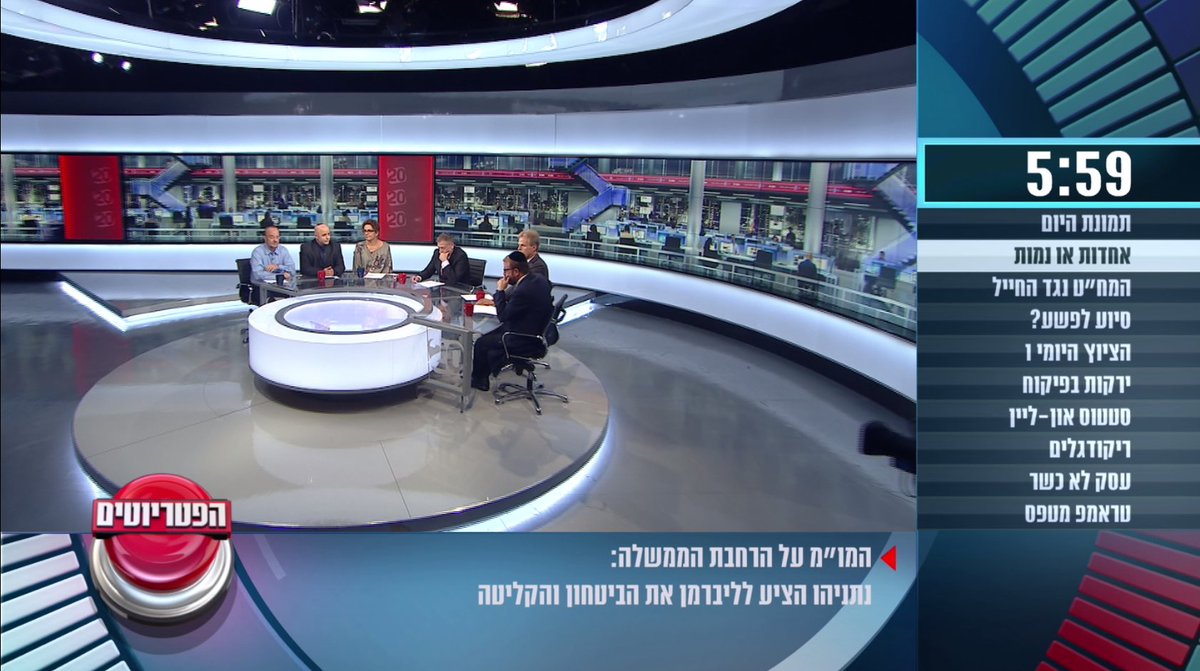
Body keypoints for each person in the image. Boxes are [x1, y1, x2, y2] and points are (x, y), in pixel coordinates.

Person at [470, 252, 553, 392]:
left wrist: (500, 291)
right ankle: (487, 371)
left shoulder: (523, 290)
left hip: (521, 337)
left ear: (516, 271)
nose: (504, 275)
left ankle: (479, 381)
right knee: (489, 334)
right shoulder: (538, 279)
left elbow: (503, 316)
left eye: (506, 271)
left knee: (481, 343)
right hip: (534, 330)